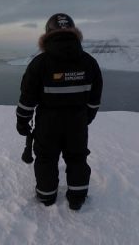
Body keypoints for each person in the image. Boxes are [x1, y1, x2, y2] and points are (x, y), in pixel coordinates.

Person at [16, 13, 103, 210]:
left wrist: (22, 122)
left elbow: (27, 99)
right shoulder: (89, 62)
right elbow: (95, 99)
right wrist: (85, 118)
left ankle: (47, 197)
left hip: (48, 122)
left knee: (46, 158)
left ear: (48, 33)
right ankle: (77, 198)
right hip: (78, 122)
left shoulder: (39, 63)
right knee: (77, 157)